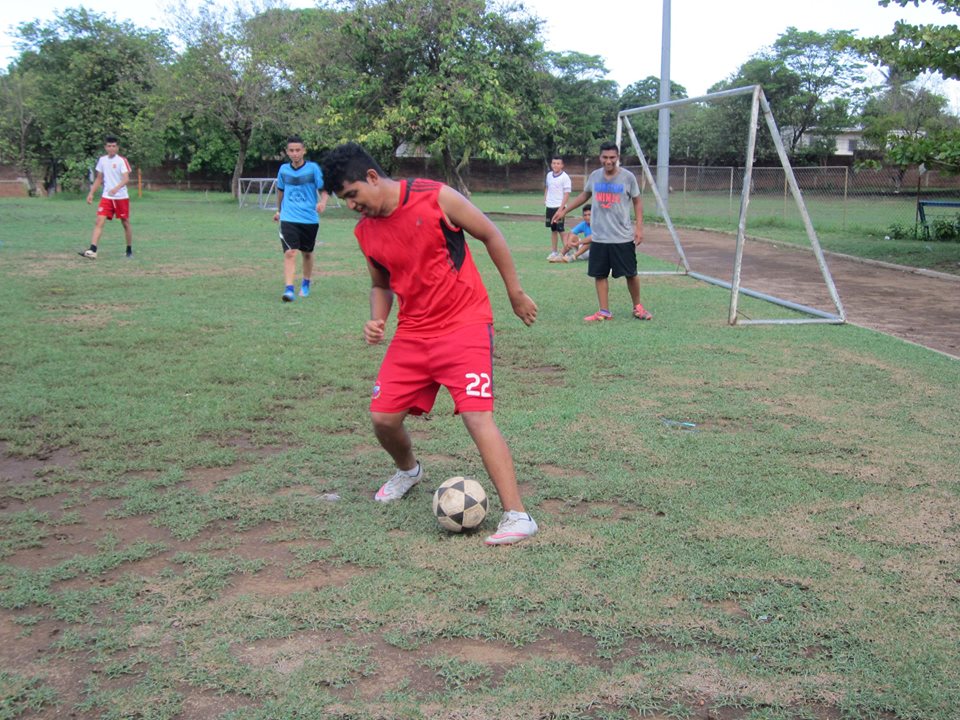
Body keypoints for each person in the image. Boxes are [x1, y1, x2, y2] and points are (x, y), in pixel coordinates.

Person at [321, 142, 540, 546]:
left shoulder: (434, 196)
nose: (351, 205)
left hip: (465, 324)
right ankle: (408, 471)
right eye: (343, 200)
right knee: (383, 418)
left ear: (372, 177)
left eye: (352, 195)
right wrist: (377, 319)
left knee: (477, 417)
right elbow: (380, 283)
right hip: (413, 333)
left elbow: (490, 234)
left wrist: (515, 293)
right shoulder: (365, 231)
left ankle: (518, 515)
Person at [552, 141, 652, 321]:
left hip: (622, 236)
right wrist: (564, 210)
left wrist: (639, 227)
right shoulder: (595, 176)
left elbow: (637, 201)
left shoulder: (628, 178)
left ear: (617, 158)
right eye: (605, 157)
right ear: (600, 157)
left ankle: (638, 307)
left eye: (612, 157)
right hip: (599, 237)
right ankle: (604, 311)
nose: (608, 161)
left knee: (631, 273)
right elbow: (585, 195)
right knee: (599, 274)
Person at [274, 135, 329, 302]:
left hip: (309, 218)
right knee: (290, 252)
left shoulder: (313, 169)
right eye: (291, 150)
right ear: (287, 152)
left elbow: (324, 188)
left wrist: (323, 202)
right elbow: (280, 191)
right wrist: (279, 211)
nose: (295, 153)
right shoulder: (283, 170)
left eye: (298, 150)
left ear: (304, 151)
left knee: (307, 253)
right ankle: (289, 289)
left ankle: (306, 283)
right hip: (289, 217)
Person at [80, 135, 132, 259]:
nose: (111, 148)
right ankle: (93, 249)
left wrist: (116, 188)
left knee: (125, 223)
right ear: (105, 147)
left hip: (121, 197)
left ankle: (129, 250)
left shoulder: (121, 161)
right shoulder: (102, 160)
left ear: (117, 147)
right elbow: (99, 178)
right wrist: (91, 193)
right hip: (107, 198)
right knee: (99, 221)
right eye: (109, 146)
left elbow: (126, 179)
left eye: (114, 146)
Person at [544, 156, 572, 262]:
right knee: (553, 229)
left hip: (559, 207)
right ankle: (554, 252)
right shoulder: (549, 175)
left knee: (561, 229)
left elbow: (567, 194)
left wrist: (561, 208)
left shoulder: (565, 177)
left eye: (558, 163)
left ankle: (566, 251)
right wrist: (545, 200)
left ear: (562, 165)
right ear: (551, 164)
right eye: (554, 163)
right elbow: (547, 187)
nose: (555, 165)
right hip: (550, 206)